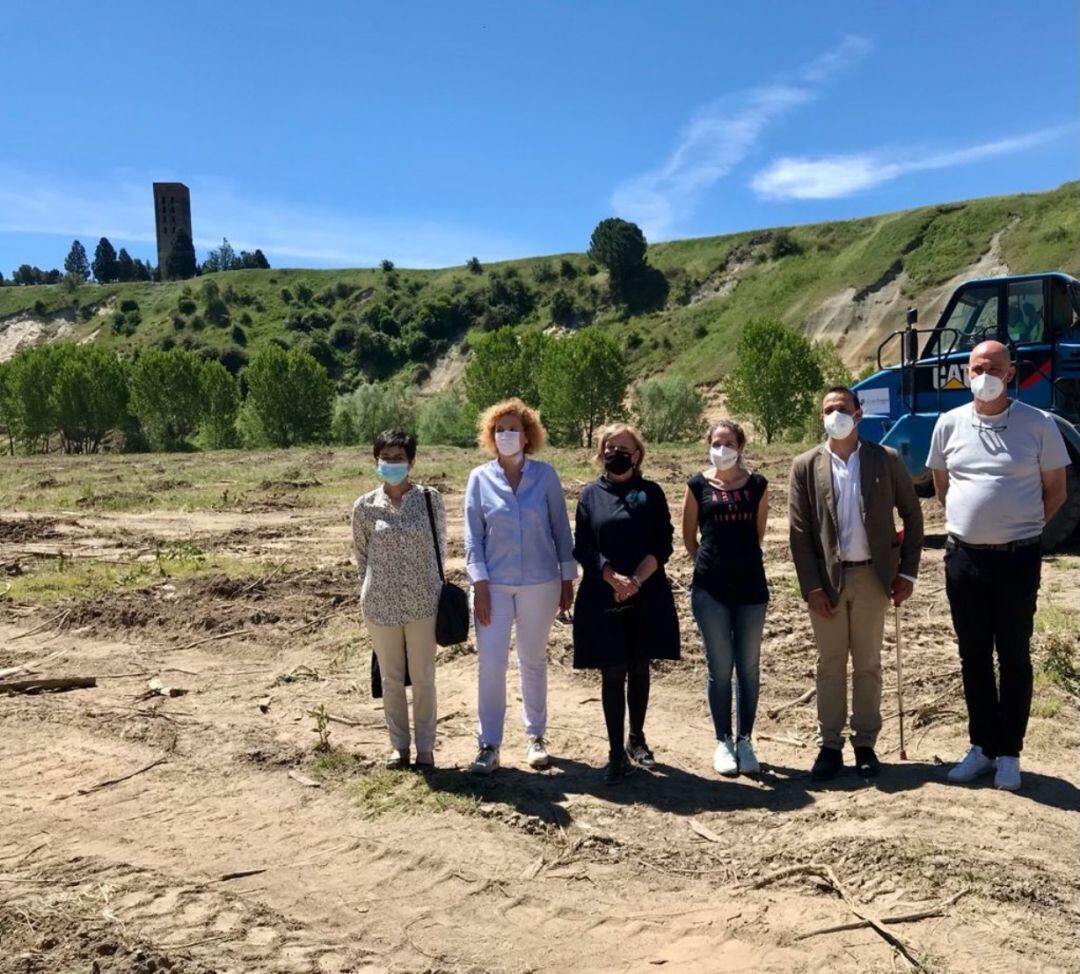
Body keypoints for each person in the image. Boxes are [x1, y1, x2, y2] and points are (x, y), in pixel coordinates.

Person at [928, 340, 1070, 792]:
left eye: (994, 367)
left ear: (1011, 374)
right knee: (972, 655)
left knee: (1013, 654)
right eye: (976, 367)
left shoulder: (1037, 424)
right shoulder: (949, 424)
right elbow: (941, 484)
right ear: (966, 372)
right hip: (964, 559)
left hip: (1017, 558)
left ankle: (1009, 752)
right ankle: (981, 747)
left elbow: (1057, 490)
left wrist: (1022, 526)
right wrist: (975, 523)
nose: (984, 373)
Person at [789, 387, 923, 781]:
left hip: (872, 577)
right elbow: (799, 532)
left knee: (867, 664)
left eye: (842, 408)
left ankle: (865, 743)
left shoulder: (886, 459)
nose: (836, 415)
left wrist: (907, 572)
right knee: (830, 666)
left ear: (858, 413)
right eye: (828, 410)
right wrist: (811, 587)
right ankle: (829, 746)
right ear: (822, 417)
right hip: (827, 581)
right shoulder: (805, 465)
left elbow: (914, 518)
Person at [464, 398, 576, 775]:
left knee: (532, 660)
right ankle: (489, 744)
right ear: (491, 437)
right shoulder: (479, 479)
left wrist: (567, 578)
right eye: (500, 430)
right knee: (490, 664)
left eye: (513, 429)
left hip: (541, 583)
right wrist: (478, 582)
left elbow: (561, 528)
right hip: (493, 585)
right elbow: (472, 537)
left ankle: (536, 737)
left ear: (528, 436)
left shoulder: (545, 476)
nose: (506, 435)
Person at [572, 423, 680, 784]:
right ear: (600, 452)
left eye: (624, 447)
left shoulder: (651, 492)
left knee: (639, 666)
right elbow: (583, 546)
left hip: (645, 590)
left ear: (638, 454)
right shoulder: (589, 495)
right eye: (609, 446)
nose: (616, 452)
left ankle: (637, 738)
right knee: (612, 671)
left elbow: (663, 543)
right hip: (604, 593)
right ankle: (615, 752)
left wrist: (636, 579)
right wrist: (611, 577)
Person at [351, 429, 446, 770]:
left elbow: (442, 548)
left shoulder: (430, 499)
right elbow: (362, 557)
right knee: (391, 679)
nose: (392, 463)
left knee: (423, 678)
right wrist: (369, 591)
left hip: (423, 603)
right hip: (380, 604)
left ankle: (425, 749)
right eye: (386, 458)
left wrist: (434, 589)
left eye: (399, 458)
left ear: (412, 462)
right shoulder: (364, 507)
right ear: (375, 461)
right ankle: (399, 747)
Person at [682, 419, 769, 776]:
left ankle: (745, 740)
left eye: (728, 442)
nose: (722, 448)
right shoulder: (697, 485)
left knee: (747, 668)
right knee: (720, 668)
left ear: (741, 445)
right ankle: (723, 741)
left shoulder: (758, 485)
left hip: (750, 588)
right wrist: (708, 564)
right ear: (708, 444)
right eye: (716, 442)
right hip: (710, 590)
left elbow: (759, 534)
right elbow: (689, 538)